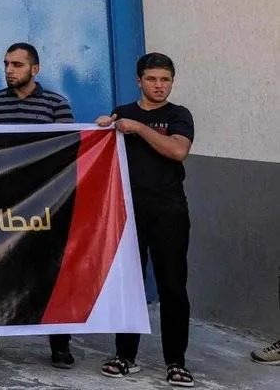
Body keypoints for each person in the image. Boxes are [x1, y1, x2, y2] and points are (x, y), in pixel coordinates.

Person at [0, 42, 75, 368]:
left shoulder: (56, 104)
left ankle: (60, 343)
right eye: (6, 64)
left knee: (50, 270)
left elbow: (68, 150)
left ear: (35, 69)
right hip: (4, 202)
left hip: (48, 202)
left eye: (17, 64)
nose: (9, 70)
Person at [98, 53, 195, 387]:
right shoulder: (122, 112)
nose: (159, 85)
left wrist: (138, 128)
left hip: (169, 210)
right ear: (139, 80)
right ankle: (125, 356)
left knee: (172, 287)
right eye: (152, 79)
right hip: (127, 212)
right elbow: (101, 149)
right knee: (129, 286)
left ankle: (176, 362)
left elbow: (177, 151)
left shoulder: (178, 115)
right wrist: (101, 129)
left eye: (165, 80)